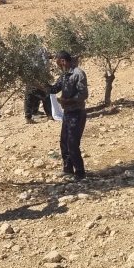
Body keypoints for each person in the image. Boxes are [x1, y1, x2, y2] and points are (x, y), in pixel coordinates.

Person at [49, 51, 89, 181]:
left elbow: (83, 95)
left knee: (72, 143)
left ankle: (80, 172)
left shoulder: (78, 74)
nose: (58, 66)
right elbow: (55, 89)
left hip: (77, 113)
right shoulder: (64, 76)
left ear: (63, 61)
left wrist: (68, 100)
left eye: (58, 63)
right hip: (67, 114)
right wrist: (39, 85)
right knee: (64, 142)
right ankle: (68, 169)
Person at [23, 45, 53, 123]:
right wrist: (46, 74)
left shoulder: (26, 49)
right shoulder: (42, 49)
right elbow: (46, 63)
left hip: (29, 76)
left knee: (29, 96)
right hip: (40, 75)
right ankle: (49, 115)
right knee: (45, 95)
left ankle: (28, 117)